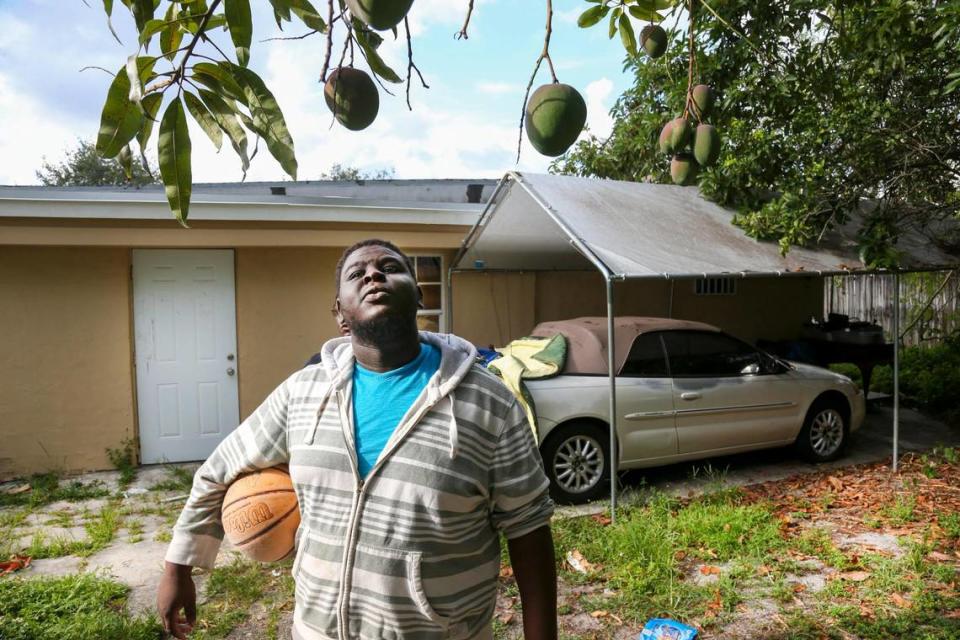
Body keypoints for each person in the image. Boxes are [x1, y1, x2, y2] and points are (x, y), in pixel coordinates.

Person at [157, 238, 558, 640]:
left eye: (391, 267)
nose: (374, 274)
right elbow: (219, 469)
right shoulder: (303, 393)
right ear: (340, 314)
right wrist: (179, 566)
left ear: (418, 296)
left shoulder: (491, 404)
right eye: (357, 274)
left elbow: (529, 528)